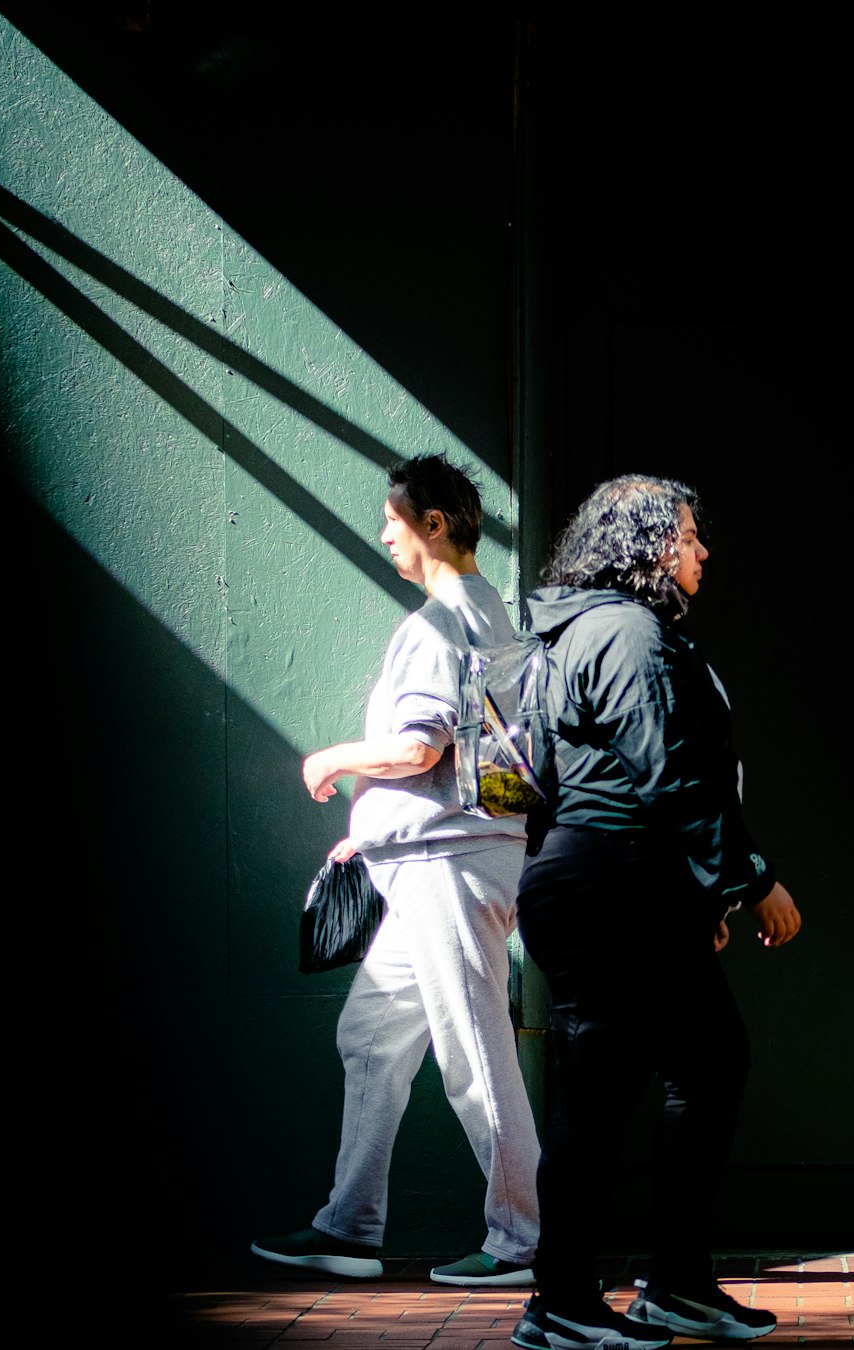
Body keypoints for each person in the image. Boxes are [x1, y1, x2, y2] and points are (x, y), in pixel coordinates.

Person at [509, 475, 801, 1350]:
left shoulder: (575, 633)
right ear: (644, 547)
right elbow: (673, 773)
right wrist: (750, 880)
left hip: (610, 883)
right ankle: (559, 1300)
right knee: (602, 1095)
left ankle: (674, 1285)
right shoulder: (629, 632)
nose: (701, 550)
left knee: (708, 1061)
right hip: (611, 886)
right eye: (685, 535)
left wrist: (691, 892)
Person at [251, 454, 540, 1287]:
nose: (385, 533)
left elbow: (421, 745)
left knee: (474, 1054)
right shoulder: (489, 613)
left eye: (393, 519)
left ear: (433, 525)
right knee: (372, 1039)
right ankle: (350, 1226)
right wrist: (373, 832)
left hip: (448, 868)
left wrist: (335, 759)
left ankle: (525, 1240)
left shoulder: (438, 622)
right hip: (431, 859)